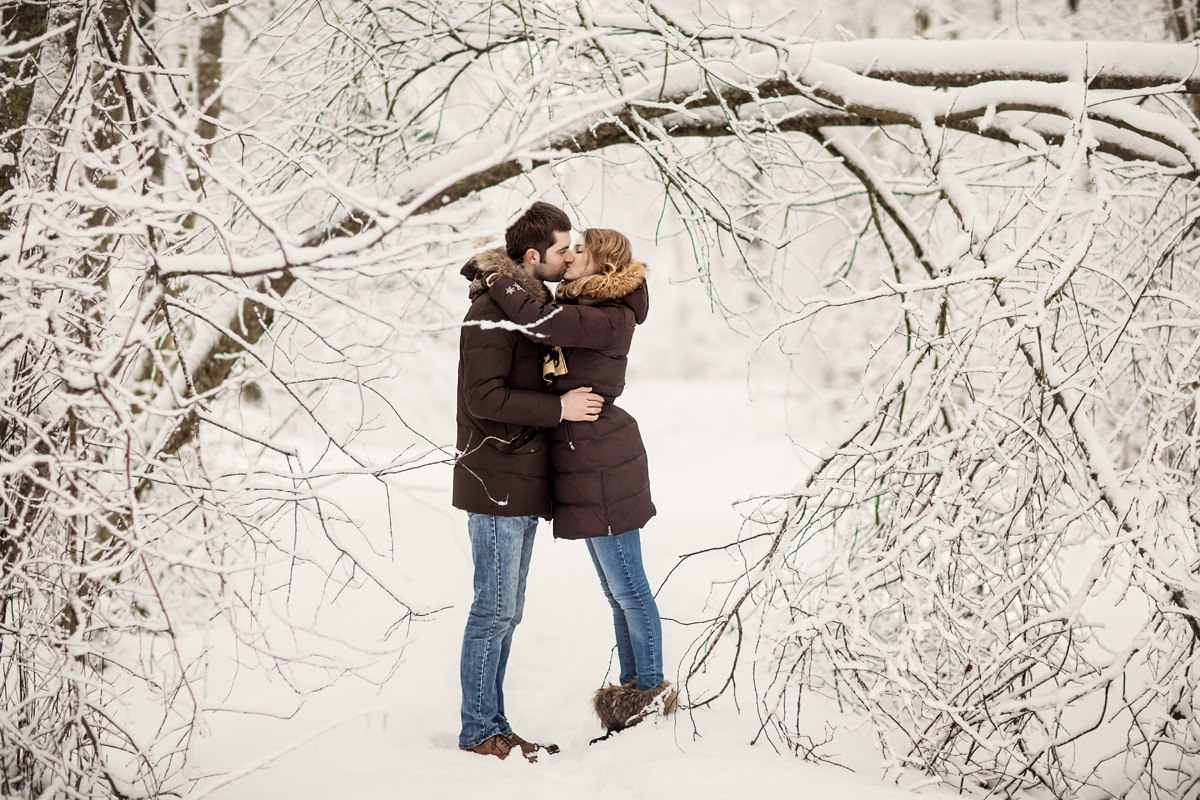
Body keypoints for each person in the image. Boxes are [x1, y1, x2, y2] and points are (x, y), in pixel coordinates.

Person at [484, 228, 677, 735]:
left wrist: (493, 276)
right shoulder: (587, 310)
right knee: (617, 592)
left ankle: (650, 690)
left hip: (603, 462)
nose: (569, 256)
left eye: (579, 251)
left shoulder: (607, 315)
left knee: (629, 587)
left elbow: (537, 320)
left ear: (603, 265)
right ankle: (634, 687)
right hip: (587, 459)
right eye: (567, 249)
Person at [454, 202, 606, 761]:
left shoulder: (525, 308)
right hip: (495, 476)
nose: (570, 256)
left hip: (515, 477)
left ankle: (493, 724)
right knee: (492, 609)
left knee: (507, 610)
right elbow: (482, 398)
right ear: (533, 254)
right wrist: (559, 408)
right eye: (563, 248)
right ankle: (477, 733)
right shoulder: (491, 312)